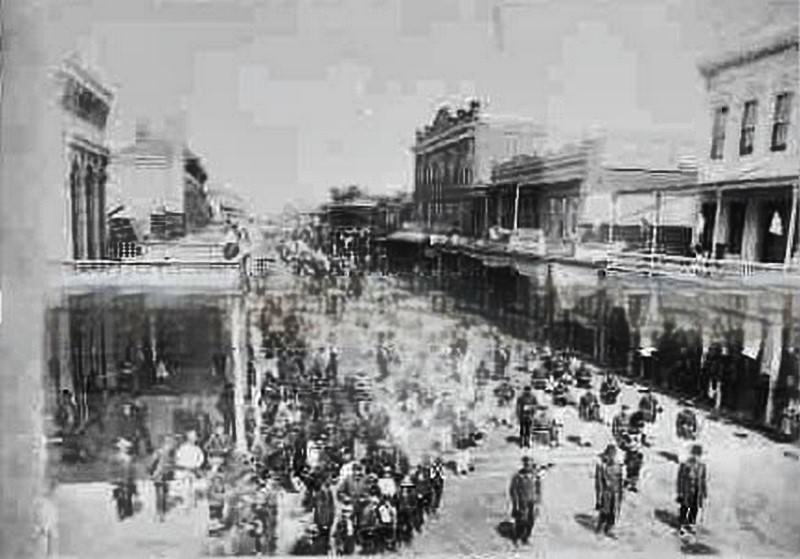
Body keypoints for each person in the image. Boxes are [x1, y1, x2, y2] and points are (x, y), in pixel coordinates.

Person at [508, 456, 541, 545]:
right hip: (522, 502)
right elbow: (513, 490)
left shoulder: (535, 476)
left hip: (532, 502)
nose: (528, 466)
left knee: (531, 520)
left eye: (529, 464)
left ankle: (526, 537)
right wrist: (516, 503)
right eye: (526, 464)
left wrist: (538, 502)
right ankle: (517, 536)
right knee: (521, 520)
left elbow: (538, 489)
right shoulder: (518, 476)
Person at [677, 444, 708, 536]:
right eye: (694, 454)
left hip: (697, 490)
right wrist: (680, 492)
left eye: (698, 454)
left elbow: (703, 479)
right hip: (686, 490)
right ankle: (682, 525)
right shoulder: (685, 464)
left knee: (694, 508)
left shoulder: (702, 466)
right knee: (684, 507)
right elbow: (680, 480)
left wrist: (704, 491)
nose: (696, 456)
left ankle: (690, 524)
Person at [595, 444, 623, 537]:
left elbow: (620, 480)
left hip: (615, 492)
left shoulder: (618, 465)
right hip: (606, 492)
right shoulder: (602, 466)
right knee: (605, 511)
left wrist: (620, 494)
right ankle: (600, 527)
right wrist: (598, 498)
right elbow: (599, 482)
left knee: (613, 511)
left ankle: (609, 529)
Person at [174, 430, 205, 509]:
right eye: (194, 437)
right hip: (185, 470)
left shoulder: (196, 448)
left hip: (191, 470)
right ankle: (188, 502)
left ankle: (191, 502)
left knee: (191, 486)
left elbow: (201, 458)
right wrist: (184, 465)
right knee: (186, 487)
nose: (195, 439)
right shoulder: (183, 448)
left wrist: (196, 465)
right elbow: (178, 458)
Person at [109, 437, 138, 521]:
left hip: (127, 480)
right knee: (120, 495)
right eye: (125, 448)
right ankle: (121, 511)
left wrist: (133, 479)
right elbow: (112, 469)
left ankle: (128, 510)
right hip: (120, 479)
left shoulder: (129, 458)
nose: (127, 449)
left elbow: (132, 470)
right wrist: (113, 478)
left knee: (128, 494)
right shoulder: (115, 458)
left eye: (127, 448)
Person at [149, 435, 175, 522]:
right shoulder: (159, 452)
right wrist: (153, 473)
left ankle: (161, 513)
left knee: (164, 495)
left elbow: (172, 465)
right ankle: (159, 513)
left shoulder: (170, 453)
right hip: (159, 476)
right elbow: (152, 463)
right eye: (168, 442)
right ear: (164, 443)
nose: (169, 444)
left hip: (166, 476)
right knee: (160, 495)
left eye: (170, 442)